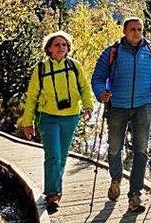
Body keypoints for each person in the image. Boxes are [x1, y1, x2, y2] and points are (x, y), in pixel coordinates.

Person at [92, 17, 151, 213]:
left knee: (141, 151)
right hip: (117, 106)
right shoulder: (113, 52)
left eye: (140, 29)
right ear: (124, 31)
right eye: (133, 29)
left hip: (143, 106)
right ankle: (116, 178)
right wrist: (101, 93)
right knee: (113, 149)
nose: (137, 32)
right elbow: (98, 78)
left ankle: (135, 194)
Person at [18, 31, 94, 213]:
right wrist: (27, 123)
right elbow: (32, 98)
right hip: (47, 117)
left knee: (62, 156)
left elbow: (84, 87)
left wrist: (88, 106)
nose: (61, 47)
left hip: (71, 117)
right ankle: (53, 195)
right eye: (57, 44)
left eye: (64, 45)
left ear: (68, 48)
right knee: (53, 156)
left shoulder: (75, 66)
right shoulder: (41, 68)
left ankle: (55, 190)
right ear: (49, 49)